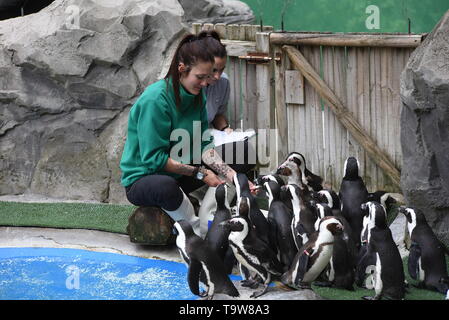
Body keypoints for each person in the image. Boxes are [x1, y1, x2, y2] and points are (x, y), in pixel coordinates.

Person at [120, 33, 254, 237]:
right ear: (181, 68)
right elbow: (155, 161)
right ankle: (196, 232)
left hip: (180, 172)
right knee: (166, 186)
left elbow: (204, 147)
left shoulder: (197, 95)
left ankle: (213, 214)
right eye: (200, 77)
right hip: (145, 179)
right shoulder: (155, 100)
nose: (205, 83)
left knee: (242, 151)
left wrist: (234, 178)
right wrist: (200, 174)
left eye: (208, 77)